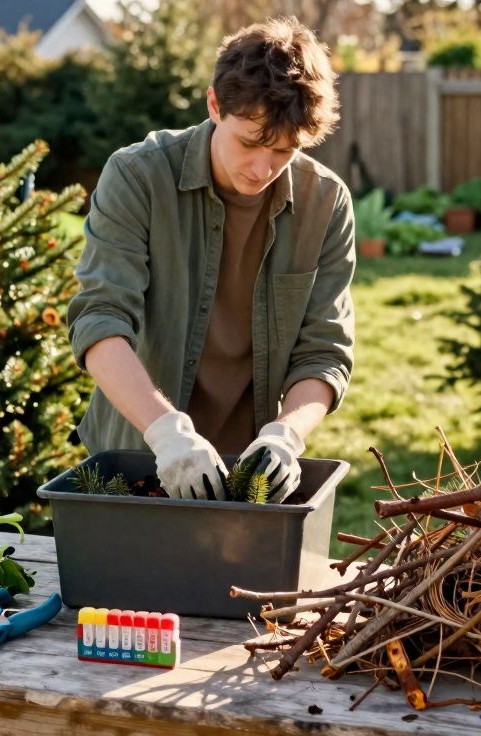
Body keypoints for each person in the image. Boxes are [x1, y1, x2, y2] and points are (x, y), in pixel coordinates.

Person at [67, 17, 355, 503]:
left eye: (284, 151)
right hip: (135, 458)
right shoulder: (137, 176)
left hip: (251, 480)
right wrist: (166, 432)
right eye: (249, 142)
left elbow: (324, 353)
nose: (262, 169)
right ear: (215, 105)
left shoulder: (325, 202)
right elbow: (100, 319)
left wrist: (287, 433)